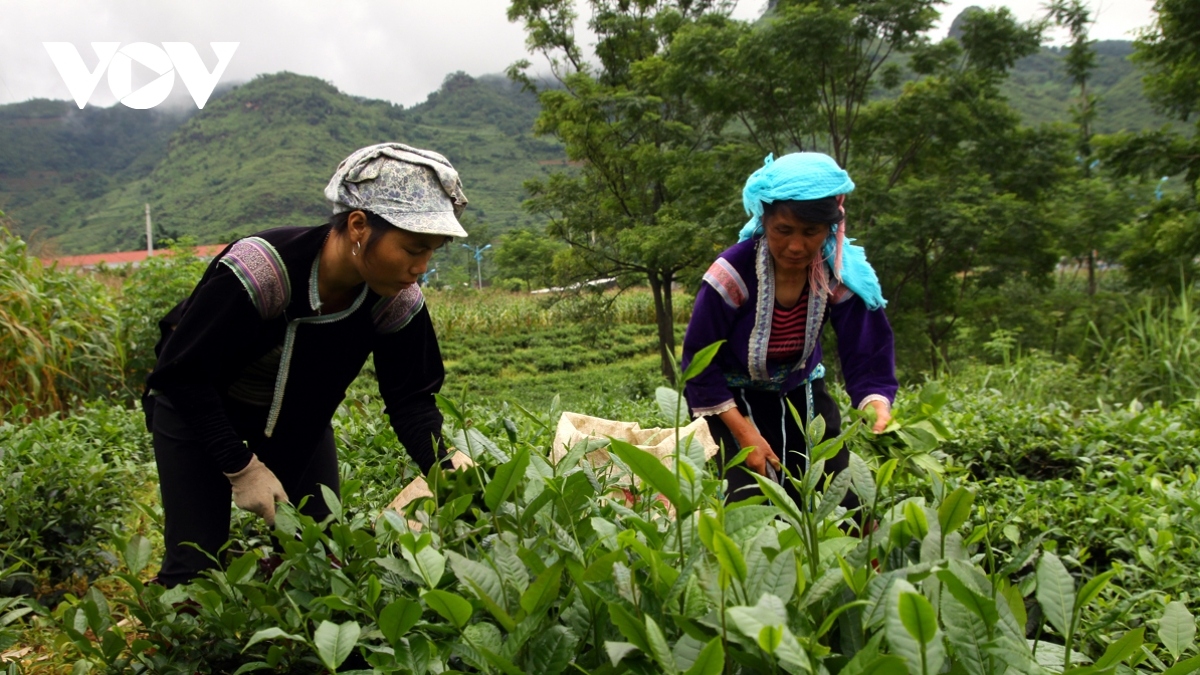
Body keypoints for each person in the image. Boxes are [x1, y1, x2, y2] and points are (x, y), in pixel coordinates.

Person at [143, 143, 467, 587]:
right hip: (198, 409)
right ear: (358, 226)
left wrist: (446, 467)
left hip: (299, 421)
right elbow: (182, 374)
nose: (421, 267)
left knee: (320, 559)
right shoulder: (263, 270)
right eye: (413, 249)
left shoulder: (396, 299)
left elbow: (410, 399)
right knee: (195, 571)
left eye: (432, 252)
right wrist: (241, 466)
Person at [681, 152, 897, 507]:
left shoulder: (838, 271)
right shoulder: (731, 273)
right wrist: (745, 433)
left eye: (811, 232)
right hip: (728, 401)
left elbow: (866, 346)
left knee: (841, 498)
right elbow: (699, 363)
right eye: (783, 230)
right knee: (752, 501)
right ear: (764, 221)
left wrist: (874, 400)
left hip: (802, 389)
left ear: (831, 227)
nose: (796, 246)